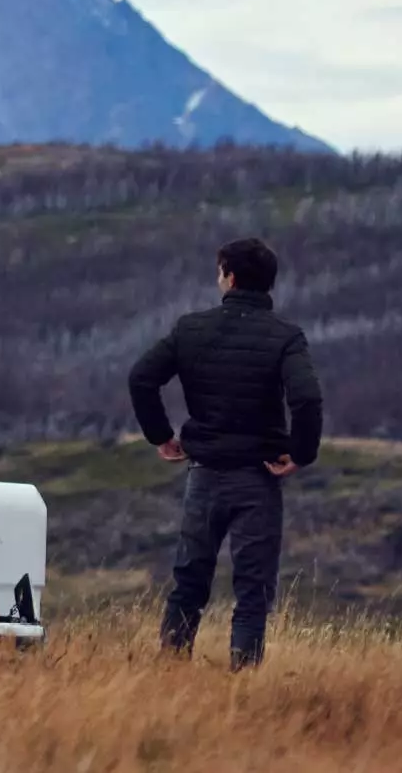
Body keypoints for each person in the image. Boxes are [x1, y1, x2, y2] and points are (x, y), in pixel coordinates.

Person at [128, 237, 323, 670]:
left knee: (189, 580)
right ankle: (243, 681)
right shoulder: (286, 337)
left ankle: (170, 672)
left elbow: (141, 378)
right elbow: (307, 399)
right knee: (253, 590)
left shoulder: (191, 329)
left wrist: (161, 435)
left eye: (219, 272)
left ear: (230, 278)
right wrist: (300, 452)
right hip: (259, 477)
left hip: (205, 474)